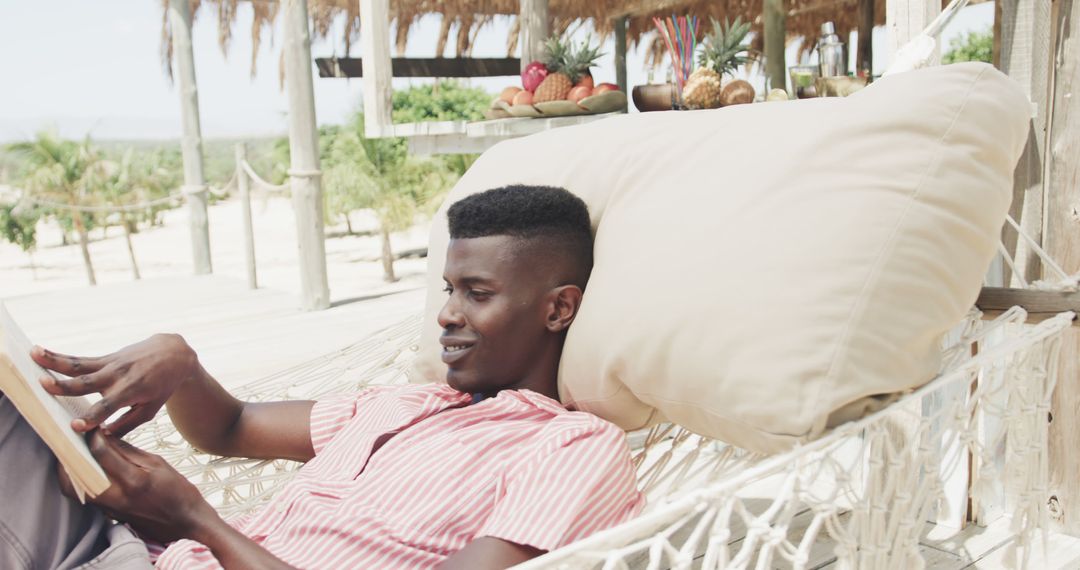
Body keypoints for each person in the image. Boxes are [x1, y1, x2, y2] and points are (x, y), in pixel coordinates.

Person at [0, 185, 645, 569]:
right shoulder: (403, 403)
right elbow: (231, 425)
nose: (446, 313)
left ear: (558, 307)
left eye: (477, 293)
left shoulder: (573, 446)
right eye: (448, 288)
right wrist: (180, 364)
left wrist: (197, 519)